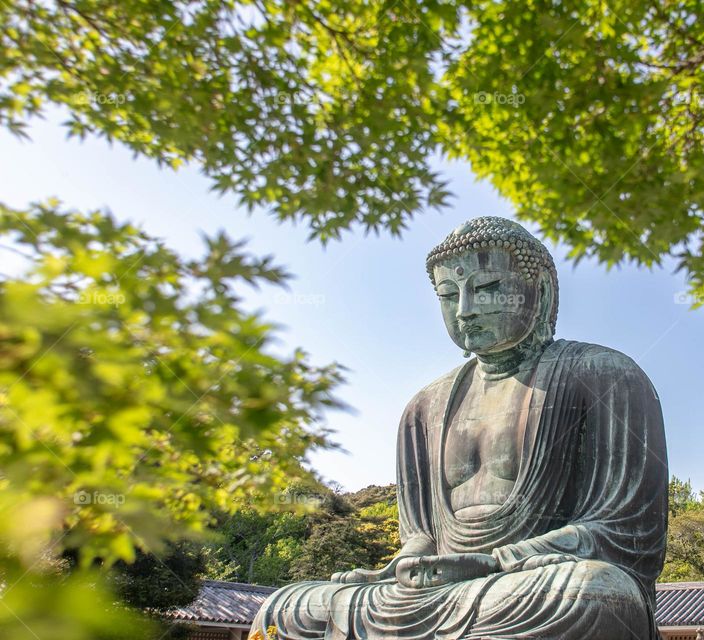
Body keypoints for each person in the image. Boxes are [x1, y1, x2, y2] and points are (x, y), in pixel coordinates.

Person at [250, 216, 668, 640]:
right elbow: (421, 536)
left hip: (530, 585)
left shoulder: (606, 376)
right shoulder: (423, 407)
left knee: (596, 593)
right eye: (449, 295)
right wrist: (405, 564)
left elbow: (627, 534)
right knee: (285, 608)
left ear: (539, 291)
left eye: (485, 288)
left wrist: (499, 561)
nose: (465, 310)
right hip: (440, 594)